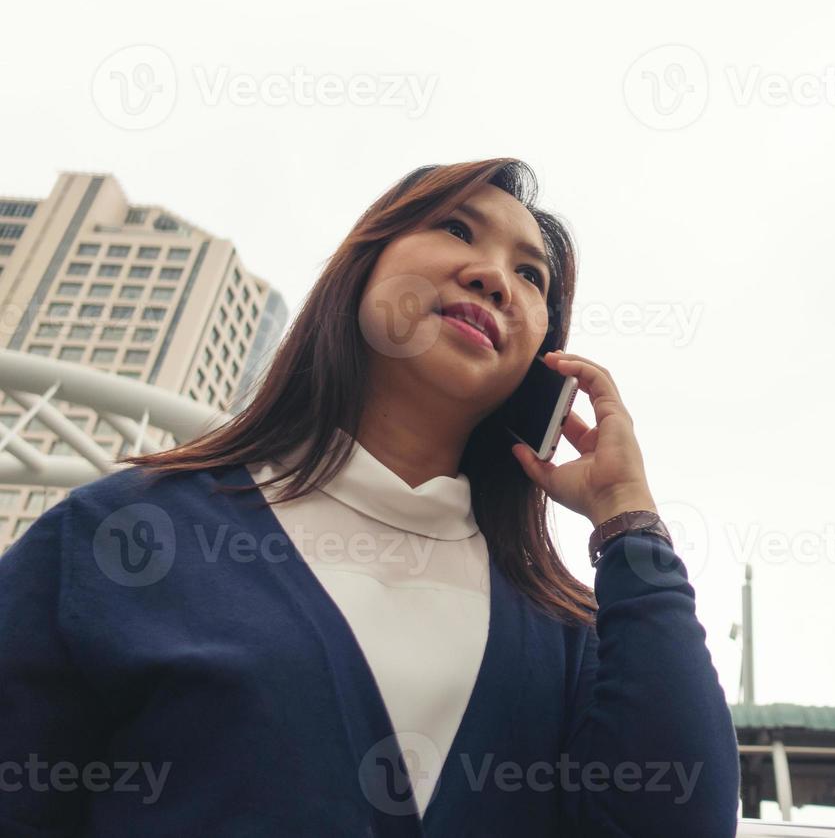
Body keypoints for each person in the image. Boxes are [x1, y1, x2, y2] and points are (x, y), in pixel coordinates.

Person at [0, 159, 740, 837]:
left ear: (544, 360)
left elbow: (680, 823)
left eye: (531, 276)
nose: (493, 279)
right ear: (362, 267)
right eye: (455, 229)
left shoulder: (567, 632)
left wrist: (626, 514)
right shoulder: (119, 536)